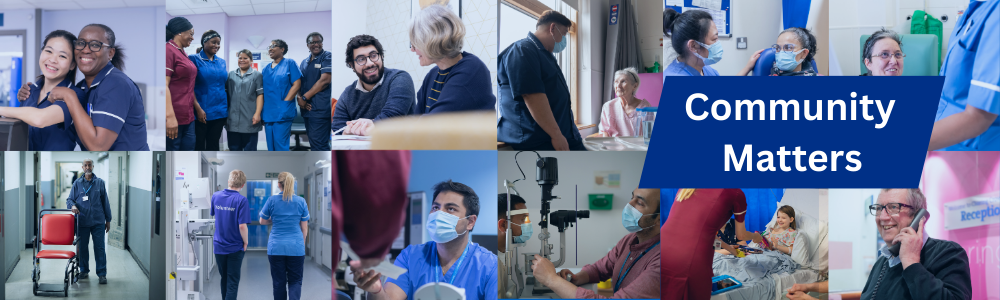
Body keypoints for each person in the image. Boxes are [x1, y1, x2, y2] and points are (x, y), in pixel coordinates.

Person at [351, 180, 498, 300]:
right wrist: (376, 291)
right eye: (435, 207)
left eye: (450, 209)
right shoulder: (410, 256)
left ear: (470, 222)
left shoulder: (490, 266)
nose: (439, 214)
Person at [531, 188, 661, 299]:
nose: (629, 205)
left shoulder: (661, 262)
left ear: (659, 219)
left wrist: (551, 280)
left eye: (639, 203)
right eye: (632, 197)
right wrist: (577, 278)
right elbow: (599, 269)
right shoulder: (629, 240)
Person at [48, 24, 149, 150]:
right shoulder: (82, 87)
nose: (85, 50)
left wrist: (69, 96)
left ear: (110, 53)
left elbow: (98, 146)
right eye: (81, 43)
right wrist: (32, 93)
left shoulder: (116, 84)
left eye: (95, 45)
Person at [860, 189, 972, 300]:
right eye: (879, 208)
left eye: (893, 207)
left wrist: (911, 263)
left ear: (918, 215)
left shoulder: (948, 253)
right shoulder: (882, 262)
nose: (882, 217)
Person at [497, 10, 584, 151]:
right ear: (552, 28)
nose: (564, 39)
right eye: (564, 33)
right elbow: (532, 96)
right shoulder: (523, 50)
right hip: (542, 141)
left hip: (565, 136)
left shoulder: (545, 55)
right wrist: (556, 135)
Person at [660, 189, 763, 300]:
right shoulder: (735, 193)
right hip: (690, 258)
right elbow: (741, 236)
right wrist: (756, 237)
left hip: (661, 250)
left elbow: (706, 235)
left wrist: (731, 250)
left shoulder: (687, 188)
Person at [927, 0, 998, 151]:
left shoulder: (996, 14)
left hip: (972, 155)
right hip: (941, 144)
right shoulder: (973, 10)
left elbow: (978, 118)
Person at [3, 30, 85, 150]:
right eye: (49, 51)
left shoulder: (76, 96)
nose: (53, 60)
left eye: (62, 56)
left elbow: (40, 119)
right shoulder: (29, 91)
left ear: (72, 65)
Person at [411, 5, 495, 115]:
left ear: (433, 41)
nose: (412, 49)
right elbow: (416, 120)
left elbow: (436, 121)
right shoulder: (432, 75)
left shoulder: (472, 69)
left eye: (416, 43)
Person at [334, 35, 414, 136]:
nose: (369, 63)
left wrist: (369, 126)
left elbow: (392, 117)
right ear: (352, 65)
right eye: (361, 59)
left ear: (381, 56)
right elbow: (337, 130)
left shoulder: (400, 78)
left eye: (373, 55)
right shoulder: (347, 94)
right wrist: (345, 132)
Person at [662, 10, 760, 77]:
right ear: (693, 46)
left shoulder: (704, 69)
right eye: (714, 39)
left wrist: (748, 67)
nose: (718, 43)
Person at [259, 172, 310, 300]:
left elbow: (262, 221)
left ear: (278, 184)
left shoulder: (271, 200)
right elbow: (304, 228)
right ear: (292, 184)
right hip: (296, 247)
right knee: (295, 281)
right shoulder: (301, 201)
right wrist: (301, 244)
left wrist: (273, 220)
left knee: (278, 283)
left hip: (276, 247)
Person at [66, 159, 111, 284]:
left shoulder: (100, 183)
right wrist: (72, 206)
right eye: (85, 165)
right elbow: (69, 199)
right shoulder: (77, 183)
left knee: (99, 248)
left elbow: (105, 202)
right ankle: (84, 270)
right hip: (83, 221)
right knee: (83, 248)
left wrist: (108, 219)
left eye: (89, 165)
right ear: (82, 167)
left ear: (93, 166)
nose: (87, 167)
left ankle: (102, 274)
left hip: (98, 221)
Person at [211, 170, 251, 300]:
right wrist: (246, 242)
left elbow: (214, 214)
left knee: (224, 278)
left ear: (229, 181)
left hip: (219, 246)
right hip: (235, 247)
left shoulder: (216, 196)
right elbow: (242, 226)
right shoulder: (242, 200)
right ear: (243, 185)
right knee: (232, 281)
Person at [190, 30, 228, 151]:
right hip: (201, 111)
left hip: (220, 111)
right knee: (199, 145)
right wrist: (198, 109)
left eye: (218, 43)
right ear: (204, 42)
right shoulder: (193, 59)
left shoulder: (221, 62)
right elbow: (189, 87)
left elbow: (223, 85)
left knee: (214, 145)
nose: (216, 45)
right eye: (213, 42)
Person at [261, 39, 302, 151]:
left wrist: (286, 102)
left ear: (282, 49)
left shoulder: (289, 63)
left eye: (273, 46)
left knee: (280, 145)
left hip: (283, 110)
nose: (270, 49)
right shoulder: (265, 69)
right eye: (269, 47)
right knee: (270, 146)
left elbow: (297, 84)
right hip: (268, 112)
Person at [297, 32, 333, 150]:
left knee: (319, 144)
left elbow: (325, 80)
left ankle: (324, 162)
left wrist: (304, 97)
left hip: (319, 109)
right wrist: (299, 98)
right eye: (312, 42)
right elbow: (299, 82)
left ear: (322, 43)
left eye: (318, 42)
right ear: (307, 45)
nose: (316, 44)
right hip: (307, 109)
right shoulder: (304, 62)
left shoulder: (327, 57)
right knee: (314, 143)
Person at [165, 17, 197, 150]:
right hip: (174, 116)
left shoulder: (182, 52)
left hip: (188, 116)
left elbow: (188, 85)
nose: (192, 38)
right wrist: (170, 117)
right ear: (180, 32)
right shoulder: (168, 50)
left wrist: (197, 108)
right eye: (190, 34)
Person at [226, 49, 264, 151]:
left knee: (250, 150)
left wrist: (257, 114)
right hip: (232, 118)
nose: (242, 60)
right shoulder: (231, 75)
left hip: (249, 117)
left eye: (245, 58)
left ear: (251, 60)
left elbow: (260, 95)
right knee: (234, 149)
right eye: (240, 58)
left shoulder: (257, 75)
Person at [598, 67, 652, 137]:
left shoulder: (645, 107)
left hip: (637, 144)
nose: (618, 85)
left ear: (634, 86)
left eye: (623, 81)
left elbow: (649, 134)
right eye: (616, 81)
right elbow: (605, 133)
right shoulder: (608, 106)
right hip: (613, 144)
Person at [497, 193, 530, 298]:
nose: (528, 224)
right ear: (503, 225)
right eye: (523, 219)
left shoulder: (502, 255)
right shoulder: (490, 264)